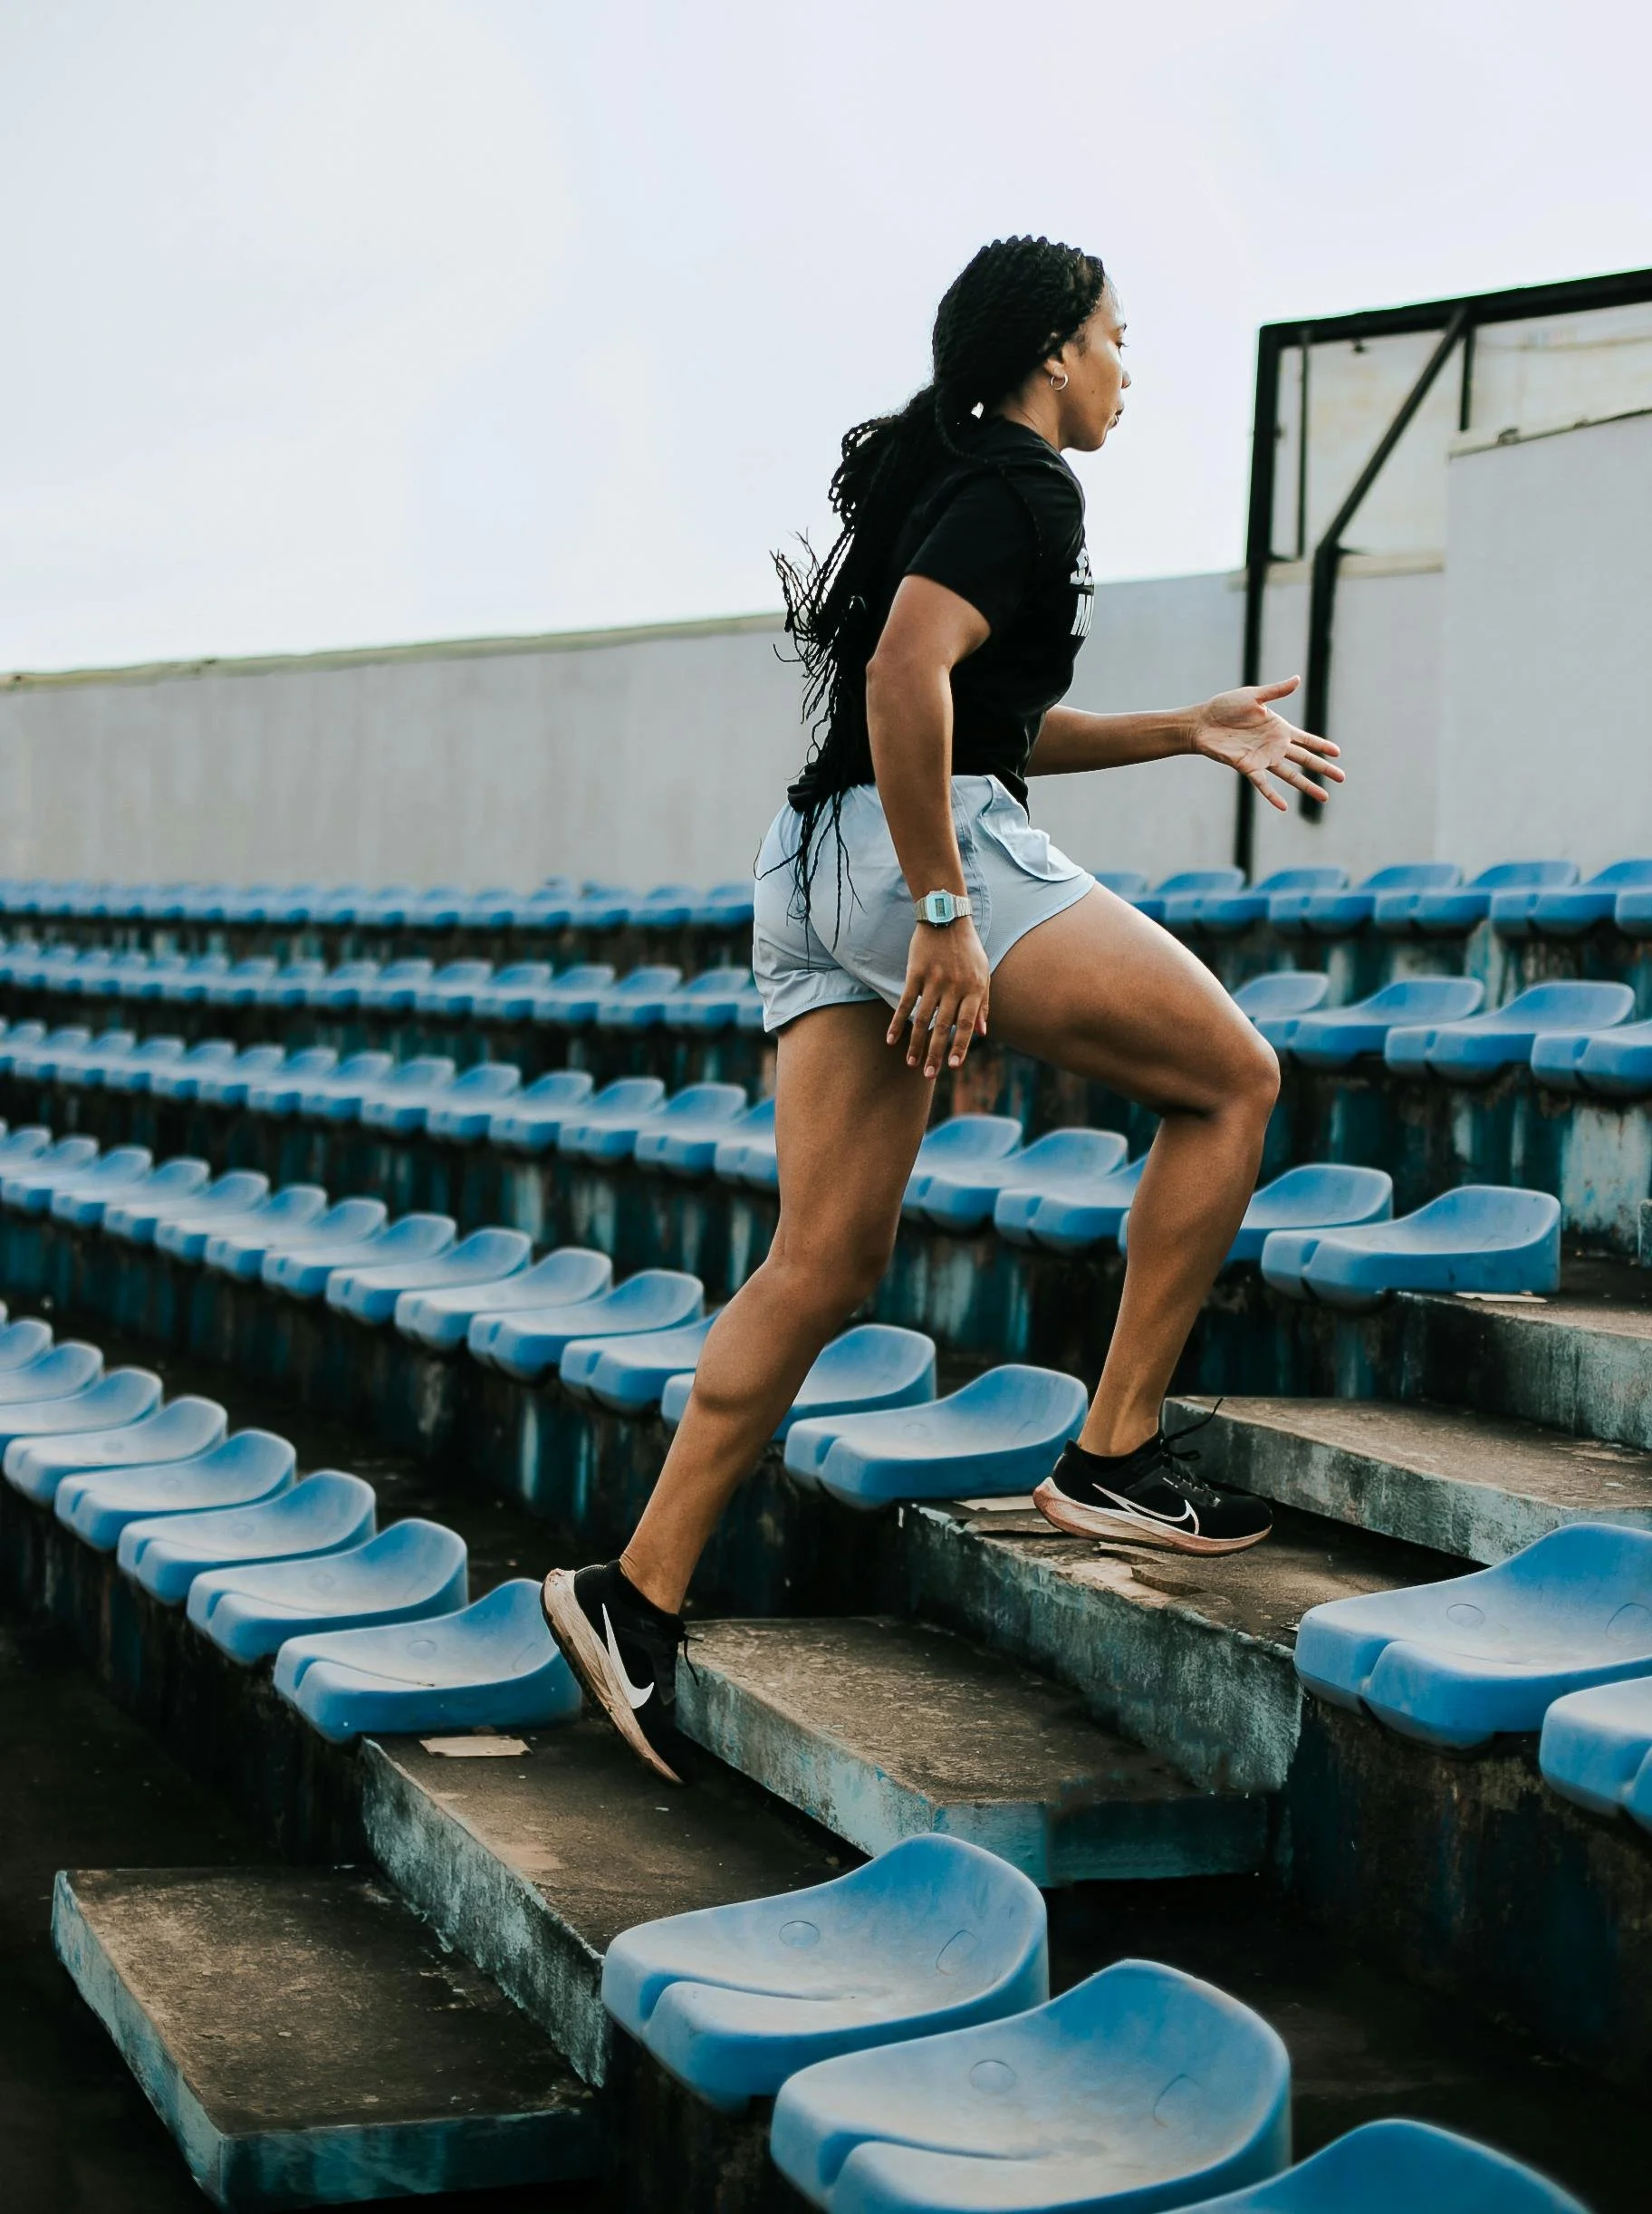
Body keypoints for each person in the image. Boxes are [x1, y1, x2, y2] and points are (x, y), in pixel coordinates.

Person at [543, 235, 1343, 1782]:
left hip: (808, 856)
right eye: (1116, 338)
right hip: (920, 850)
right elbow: (910, 681)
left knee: (824, 1261)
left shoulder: (964, 478)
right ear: (1053, 348)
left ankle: (629, 1593)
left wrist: (1185, 728)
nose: (1128, 369)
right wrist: (945, 917)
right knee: (1232, 1082)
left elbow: (984, 709)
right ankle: (1112, 1452)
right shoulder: (1030, 487)